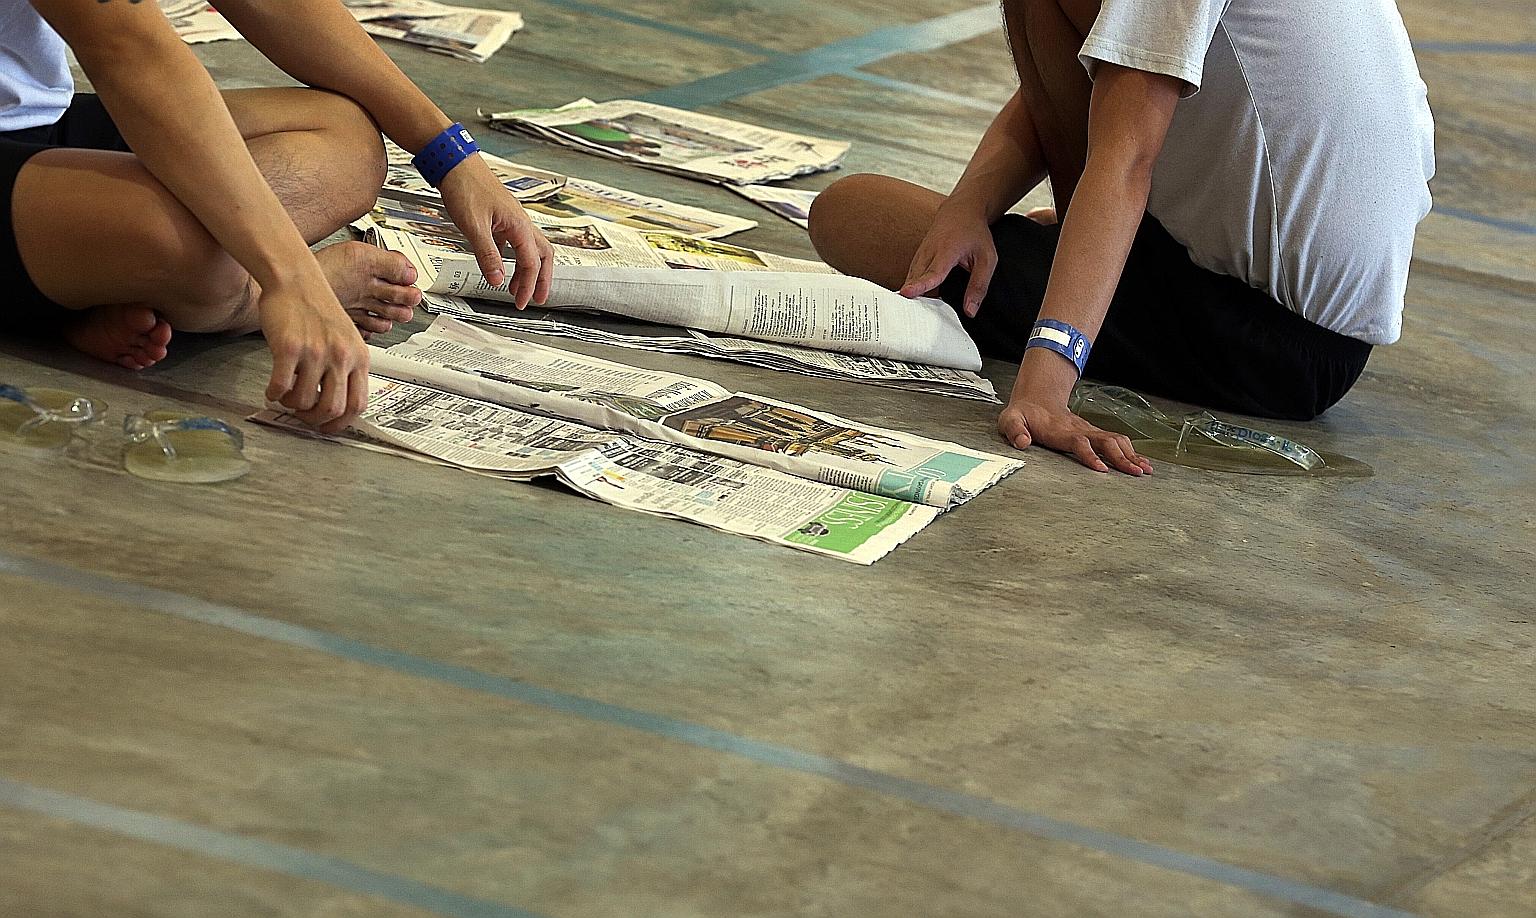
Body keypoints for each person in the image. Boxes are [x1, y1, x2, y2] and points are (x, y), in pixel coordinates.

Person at [808, 0, 1435, 475]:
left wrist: (1045, 390)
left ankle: (1090, 249)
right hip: (1300, 316)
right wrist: (969, 207)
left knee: (850, 211)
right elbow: (1103, 79)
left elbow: (1127, 156)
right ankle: (1089, 239)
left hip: (1272, 345)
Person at [0, 0, 555, 432]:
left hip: (36, 126)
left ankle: (97, 280)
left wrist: (451, 155)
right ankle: (228, 302)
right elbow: (129, 47)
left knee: (347, 137)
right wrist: (292, 279)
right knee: (188, 247)